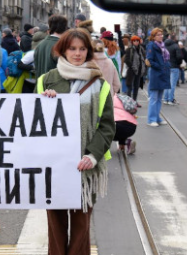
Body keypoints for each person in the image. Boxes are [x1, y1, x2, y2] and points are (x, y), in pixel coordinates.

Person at [36, 28, 114, 255]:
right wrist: (44, 102)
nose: (77, 53)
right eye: (72, 48)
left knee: (81, 226)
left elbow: (107, 126)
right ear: (63, 49)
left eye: (82, 49)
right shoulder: (45, 81)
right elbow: (34, 124)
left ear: (88, 51)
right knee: (56, 224)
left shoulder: (100, 84)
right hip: (55, 165)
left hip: (85, 166)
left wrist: (92, 155)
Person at [146, 28, 170, 127]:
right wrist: (160, 67)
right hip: (156, 74)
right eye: (159, 35)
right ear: (154, 36)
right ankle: (151, 119)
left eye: (161, 34)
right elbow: (150, 60)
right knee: (154, 98)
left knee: (160, 98)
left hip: (163, 73)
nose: (161, 36)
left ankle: (157, 117)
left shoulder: (162, 46)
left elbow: (165, 59)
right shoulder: (151, 45)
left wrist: (166, 66)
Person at [124, 35, 146, 105]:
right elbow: (126, 60)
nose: (136, 42)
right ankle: (129, 102)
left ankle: (134, 101)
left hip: (139, 70)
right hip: (131, 71)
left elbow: (143, 58)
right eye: (134, 41)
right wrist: (132, 66)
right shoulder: (129, 49)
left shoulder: (141, 49)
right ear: (132, 42)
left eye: (137, 41)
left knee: (136, 86)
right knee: (130, 87)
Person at [162, 34, 182, 105]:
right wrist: (178, 63)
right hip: (174, 66)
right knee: (172, 84)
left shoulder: (164, 46)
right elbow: (179, 57)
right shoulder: (176, 46)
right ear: (175, 39)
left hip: (166, 66)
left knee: (167, 84)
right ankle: (170, 99)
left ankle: (165, 99)